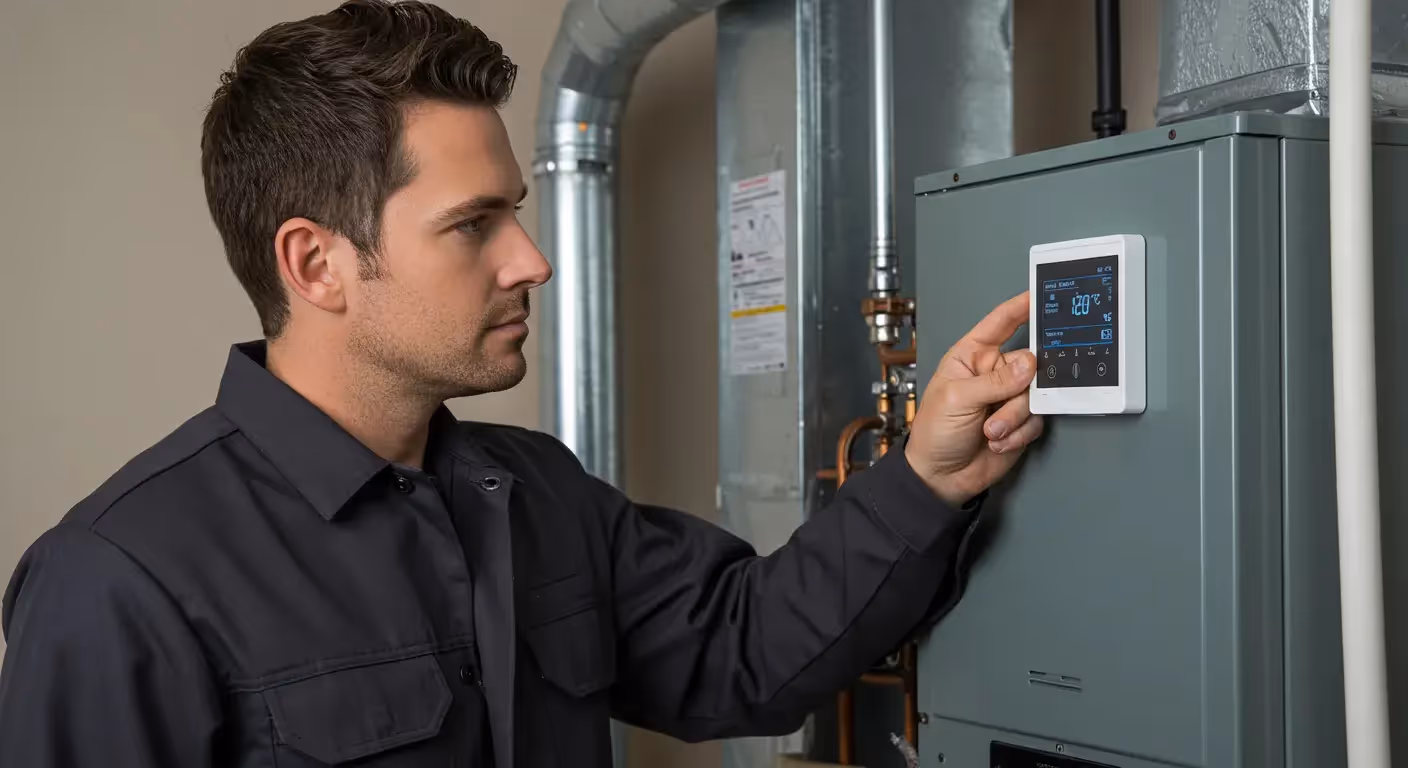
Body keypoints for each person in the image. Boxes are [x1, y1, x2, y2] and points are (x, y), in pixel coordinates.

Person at [0, 2, 1043, 766]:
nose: (531, 260)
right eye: (472, 225)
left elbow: (744, 650)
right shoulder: (118, 583)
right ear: (315, 264)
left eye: (517, 211)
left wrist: (928, 475)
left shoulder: (535, 494)